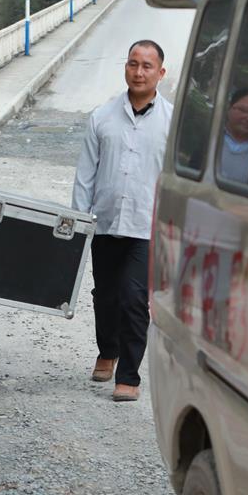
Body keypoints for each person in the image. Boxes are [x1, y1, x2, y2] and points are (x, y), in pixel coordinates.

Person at [72, 40, 173, 402]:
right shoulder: (102, 116)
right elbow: (85, 175)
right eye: (133, 64)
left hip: (147, 227)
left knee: (134, 299)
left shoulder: (172, 122)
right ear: (125, 68)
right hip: (105, 223)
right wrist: (80, 221)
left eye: (147, 66)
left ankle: (128, 375)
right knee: (105, 296)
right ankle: (108, 350)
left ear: (160, 73)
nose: (139, 72)